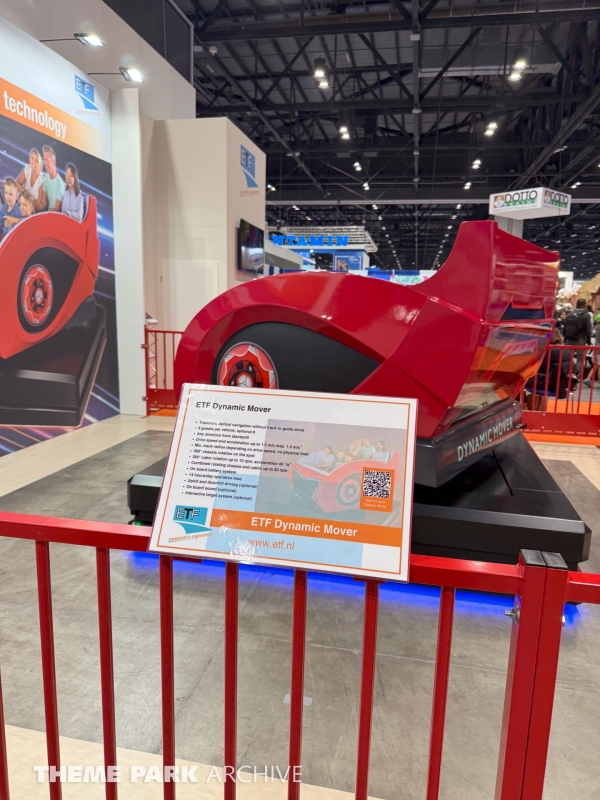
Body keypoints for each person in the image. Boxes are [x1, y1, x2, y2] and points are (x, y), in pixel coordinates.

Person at [564, 298, 592, 379]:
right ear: (585, 305)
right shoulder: (586, 315)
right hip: (580, 339)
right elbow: (588, 329)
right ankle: (577, 375)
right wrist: (589, 341)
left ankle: (569, 373)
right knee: (580, 358)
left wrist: (565, 339)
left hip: (569, 339)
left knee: (569, 357)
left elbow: (565, 327)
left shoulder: (570, 314)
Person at [37, 146, 65, 212]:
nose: (45, 163)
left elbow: (57, 210)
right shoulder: (46, 178)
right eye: (44, 160)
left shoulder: (60, 184)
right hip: (48, 212)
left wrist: (45, 215)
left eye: (47, 160)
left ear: (53, 162)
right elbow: (44, 204)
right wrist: (33, 206)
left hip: (54, 215)